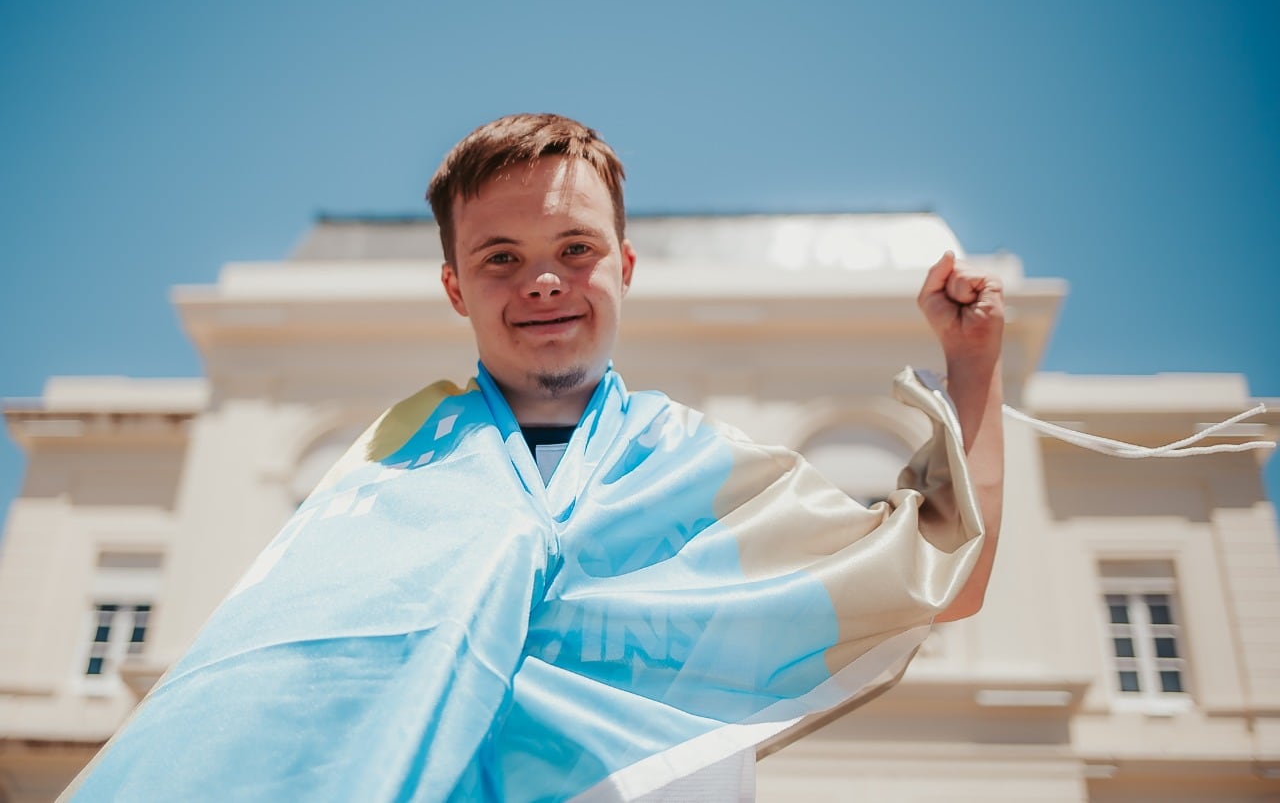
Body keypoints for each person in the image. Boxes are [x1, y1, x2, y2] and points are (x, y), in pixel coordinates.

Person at [63, 114, 1005, 802]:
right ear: (453, 286)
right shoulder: (385, 476)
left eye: (575, 247)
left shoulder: (708, 476)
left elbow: (943, 569)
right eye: (500, 257)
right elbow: (265, 681)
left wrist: (973, 368)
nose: (543, 278)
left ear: (625, 267)